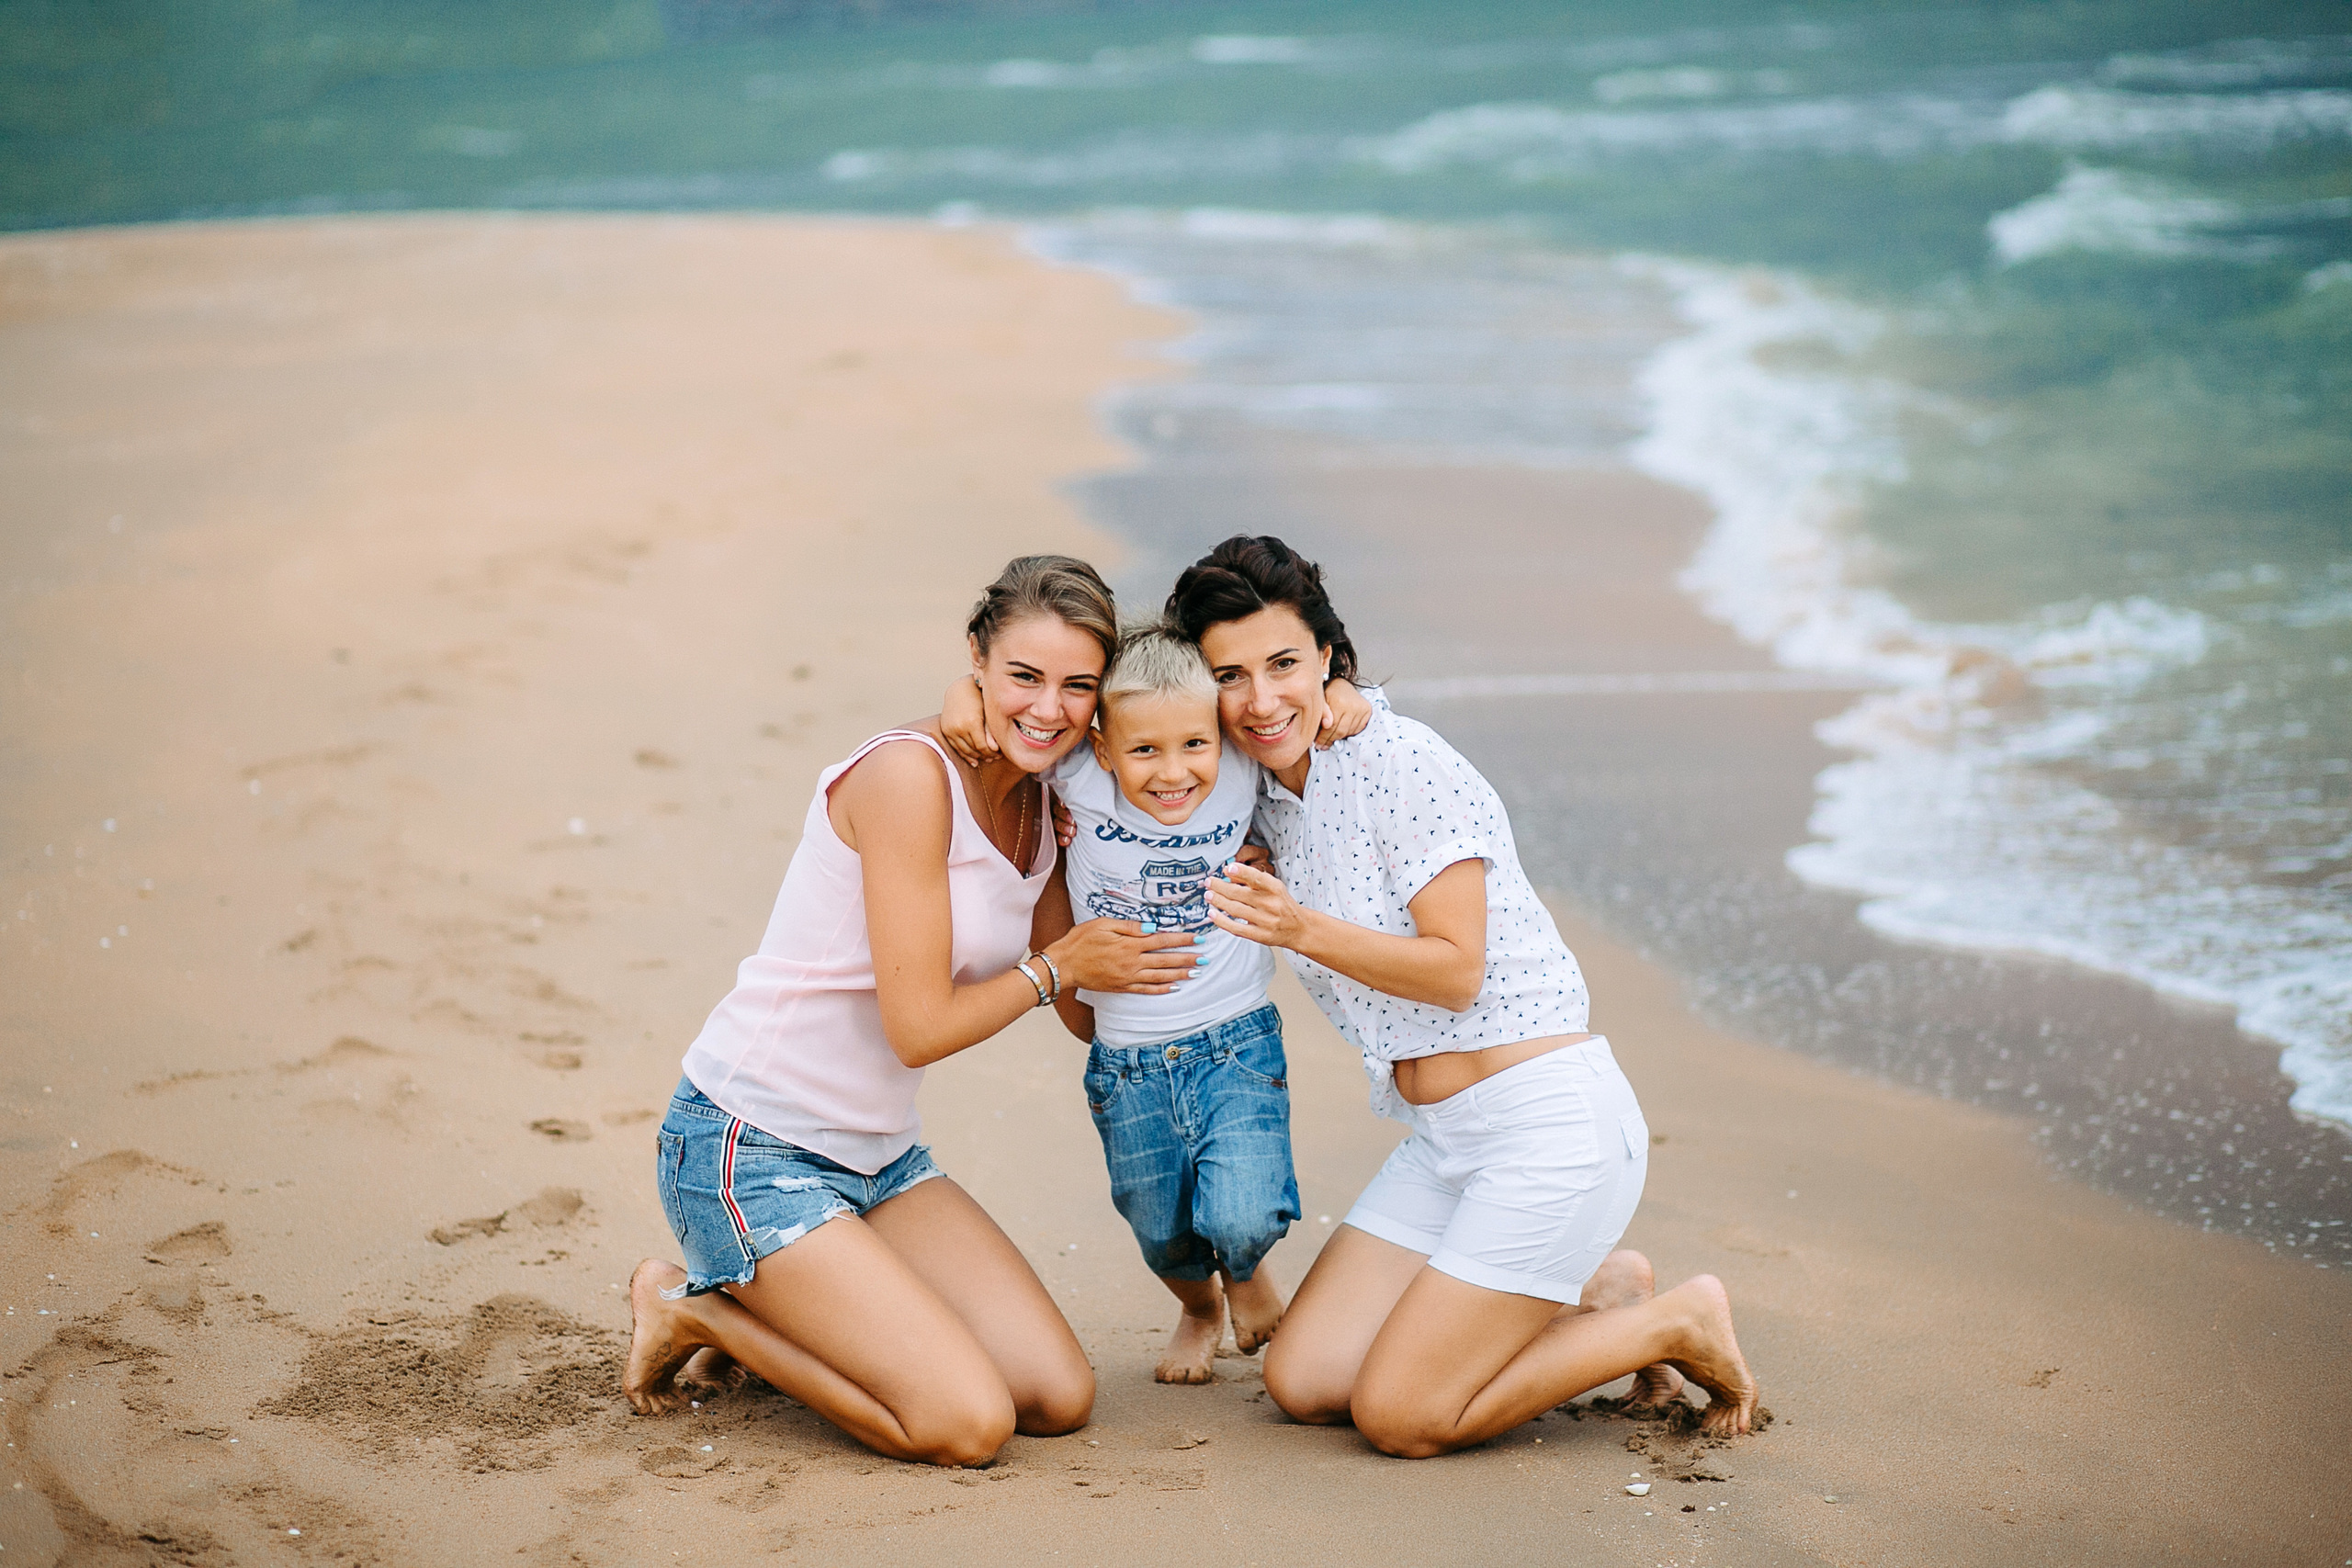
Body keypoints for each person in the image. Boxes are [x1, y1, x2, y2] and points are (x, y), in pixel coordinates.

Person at [1168, 534, 1760, 1459]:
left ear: (1327, 653)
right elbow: (1114, 729)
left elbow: (1456, 969)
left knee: (1403, 1417)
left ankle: (1671, 1324)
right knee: (1306, 1378)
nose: (1259, 699)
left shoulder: (1407, 765)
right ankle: (1599, 1291)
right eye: (1228, 676)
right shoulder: (1263, 795)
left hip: (1547, 1129)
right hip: (1445, 1144)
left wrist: (1299, 929)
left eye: (1283, 663)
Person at [621, 556, 1204, 1468]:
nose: (1047, 709)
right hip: (747, 1148)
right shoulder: (906, 778)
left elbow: (1084, 1015)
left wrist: (1186, 857)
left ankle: (810, 1314)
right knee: (965, 1426)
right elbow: (920, 1026)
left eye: (1076, 686)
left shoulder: (1044, 798)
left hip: (880, 1161)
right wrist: (1056, 967)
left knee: (1055, 1396)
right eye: (1023, 677)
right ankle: (696, 1310)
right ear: (975, 659)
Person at [941, 624, 1374, 1382]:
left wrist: (1345, 693)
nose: (1173, 773)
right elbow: (996, 725)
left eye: (1193, 746)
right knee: (1160, 1228)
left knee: (1242, 1211)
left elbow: (1296, 715)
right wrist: (959, 692)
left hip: (1235, 1042)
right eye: (1144, 751)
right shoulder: (1077, 773)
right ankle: (1200, 1305)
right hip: (1125, 1064)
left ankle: (1244, 1270)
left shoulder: (1240, 766)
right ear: (1106, 748)